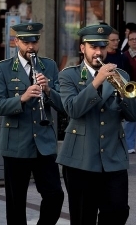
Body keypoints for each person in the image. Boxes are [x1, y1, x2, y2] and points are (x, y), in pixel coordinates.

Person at [57, 24, 136, 225]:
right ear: (82, 48)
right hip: (81, 159)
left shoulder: (121, 75)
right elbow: (72, 109)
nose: (98, 52)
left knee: (119, 211)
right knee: (84, 216)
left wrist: (123, 96)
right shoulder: (69, 75)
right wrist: (97, 82)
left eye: (102, 46)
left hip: (113, 157)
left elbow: (132, 115)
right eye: (93, 46)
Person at [0, 22, 65, 225]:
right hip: (16, 143)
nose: (31, 47)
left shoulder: (48, 65)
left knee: (55, 195)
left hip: (43, 143)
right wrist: (22, 98)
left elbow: (62, 105)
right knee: (16, 203)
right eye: (26, 42)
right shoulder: (4, 68)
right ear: (16, 42)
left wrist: (49, 90)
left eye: (34, 42)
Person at [124, 30, 136, 154]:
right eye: (132, 39)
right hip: (131, 90)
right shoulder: (125, 56)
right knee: (131, 119)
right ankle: (130, 145)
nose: (134, 41)